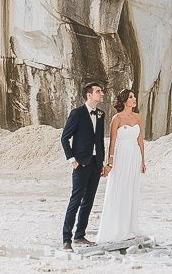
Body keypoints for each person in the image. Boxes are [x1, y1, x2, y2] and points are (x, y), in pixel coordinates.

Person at [95, 88, 147, 248]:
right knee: (118, 188)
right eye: (131, 97)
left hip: (134, 155)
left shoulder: (138, 117)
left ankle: (130, 227)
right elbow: (112, 142)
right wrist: (110, 162)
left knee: (132, 190)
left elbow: (140, 140)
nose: (134, 99)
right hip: (121, 155)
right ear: (125, 100)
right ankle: (116, 228)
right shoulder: (116, 118)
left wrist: (143, 160)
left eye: (134, 96)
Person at [60, 82, 107, 248]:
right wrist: (72, 160)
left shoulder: (100, 114)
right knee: (76, 200)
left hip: (95, 163)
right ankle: (66, 239)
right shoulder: (77, 113)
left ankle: (80, 235)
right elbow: (64, 138)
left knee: (89, 201)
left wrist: (101, 162)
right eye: (98, 91)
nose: (102, 94)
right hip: (81, 163)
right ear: (89, 95)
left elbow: (100, 140)